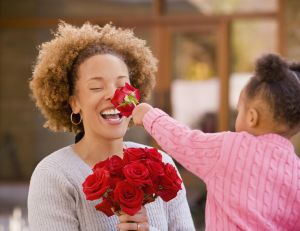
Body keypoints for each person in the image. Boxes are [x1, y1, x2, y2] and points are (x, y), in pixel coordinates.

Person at [28, 22, 195, 231]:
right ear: (74, 103)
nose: (113, 95)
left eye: (122, 84)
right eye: (97, 87)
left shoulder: (160, 164)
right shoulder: (54, 175)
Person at [132, 54, 300, 231]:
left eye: (239, 109)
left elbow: (184, 141)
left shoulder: (230, 148)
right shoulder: (296, 172)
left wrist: (149, 116)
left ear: (252, 117)